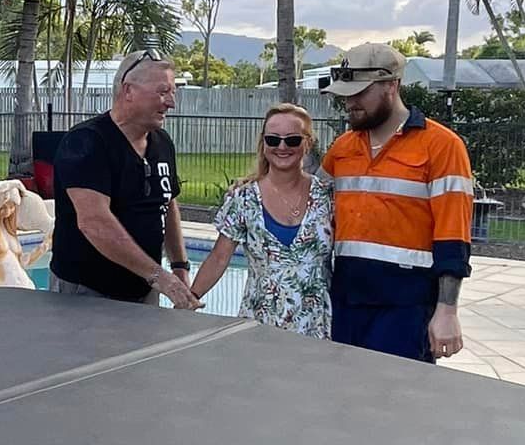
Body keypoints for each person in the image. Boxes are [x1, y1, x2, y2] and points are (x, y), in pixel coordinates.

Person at [321, 43, 473, 362]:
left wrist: (447, 311)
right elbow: (306, 199)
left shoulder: (443, 146)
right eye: (346, 94)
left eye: (360, 93)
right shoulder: (343, 147)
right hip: (346, 302)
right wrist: (259, 179)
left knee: (394, 403)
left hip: (406, 309)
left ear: (392, 85)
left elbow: (453, 236)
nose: (350, 102)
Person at [49, 51, 197, 307]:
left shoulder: (162, 143)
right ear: (128, 91)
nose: (171, 102)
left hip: (144, 288)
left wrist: (179, 266)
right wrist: (160, 277)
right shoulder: (86, 142)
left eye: (173, 92)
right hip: (86, 293)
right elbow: (94, 223)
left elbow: (167, 204)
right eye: (163, 92)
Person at [190, 103, 333, 335]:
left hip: (316, 327)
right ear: (264, 144)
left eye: (292, 140)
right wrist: (190, 298)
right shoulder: (243, 198)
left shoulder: (328, 197)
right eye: (273, 140)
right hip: (259, 325)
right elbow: (218, 258)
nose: (282, 147)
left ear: (308, 143)